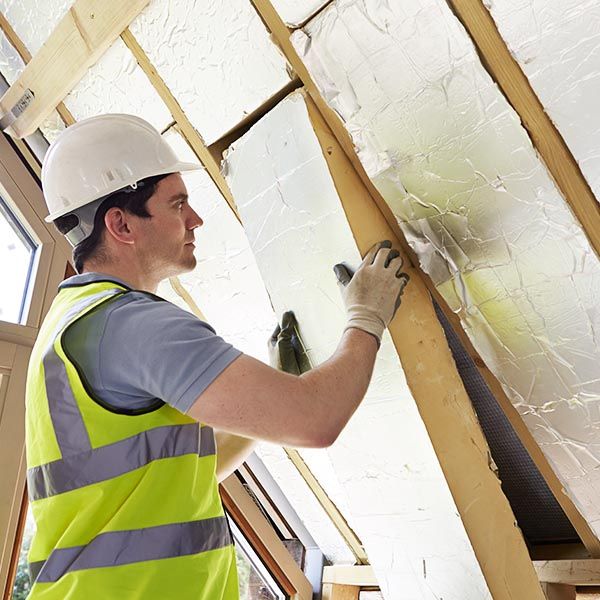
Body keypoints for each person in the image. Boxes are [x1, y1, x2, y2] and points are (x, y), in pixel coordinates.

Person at [24, 114, 409, 599]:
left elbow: (179, 474)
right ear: (120, 223)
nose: (196, 219)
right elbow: (316, 420)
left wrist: (267, 395)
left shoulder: (68, 325)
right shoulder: (133, 325)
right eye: (177, 203)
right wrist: (366, 318)